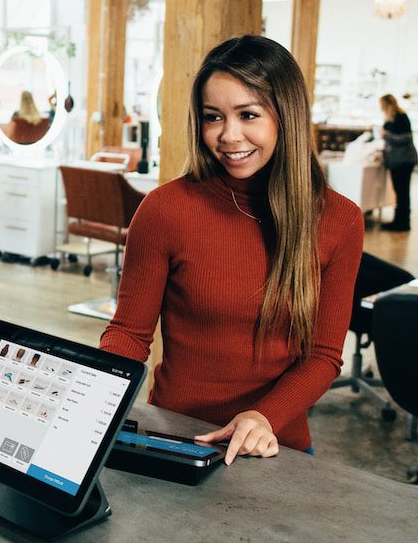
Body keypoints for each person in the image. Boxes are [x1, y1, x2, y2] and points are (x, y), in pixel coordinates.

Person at [101, 35, 363, 462]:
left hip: (275, 445)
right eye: (213, 117)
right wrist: (92, 396)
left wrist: (263, 416)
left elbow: (324, 355)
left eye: (248, 114)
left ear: (286, 117)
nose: (228, 135)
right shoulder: (165, 210)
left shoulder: (338, 219)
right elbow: (129, 334)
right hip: (176, 437)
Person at [379, 94, 418, 231]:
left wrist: (387, 135)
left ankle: (403, 222)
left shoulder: (401, 117)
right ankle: (399, 220)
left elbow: (406, 138)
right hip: (397, 161)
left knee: (402, 192)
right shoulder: (390, 118)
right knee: (400, 192)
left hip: (404, 160)